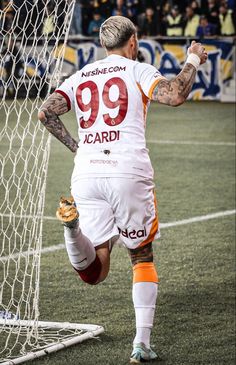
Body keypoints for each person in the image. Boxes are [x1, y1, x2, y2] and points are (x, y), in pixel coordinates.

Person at [38, 15, 207, 363]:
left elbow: (45, 113)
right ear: (134, 42)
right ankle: (141, 344)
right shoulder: (137, 69)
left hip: (85, 174)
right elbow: (174, 94)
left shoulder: (82, 74)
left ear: (104, 45)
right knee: (140, 256)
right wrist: (192, 58)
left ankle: (72, 231)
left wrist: (77, 147)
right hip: (127, 171)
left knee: (94, 271)